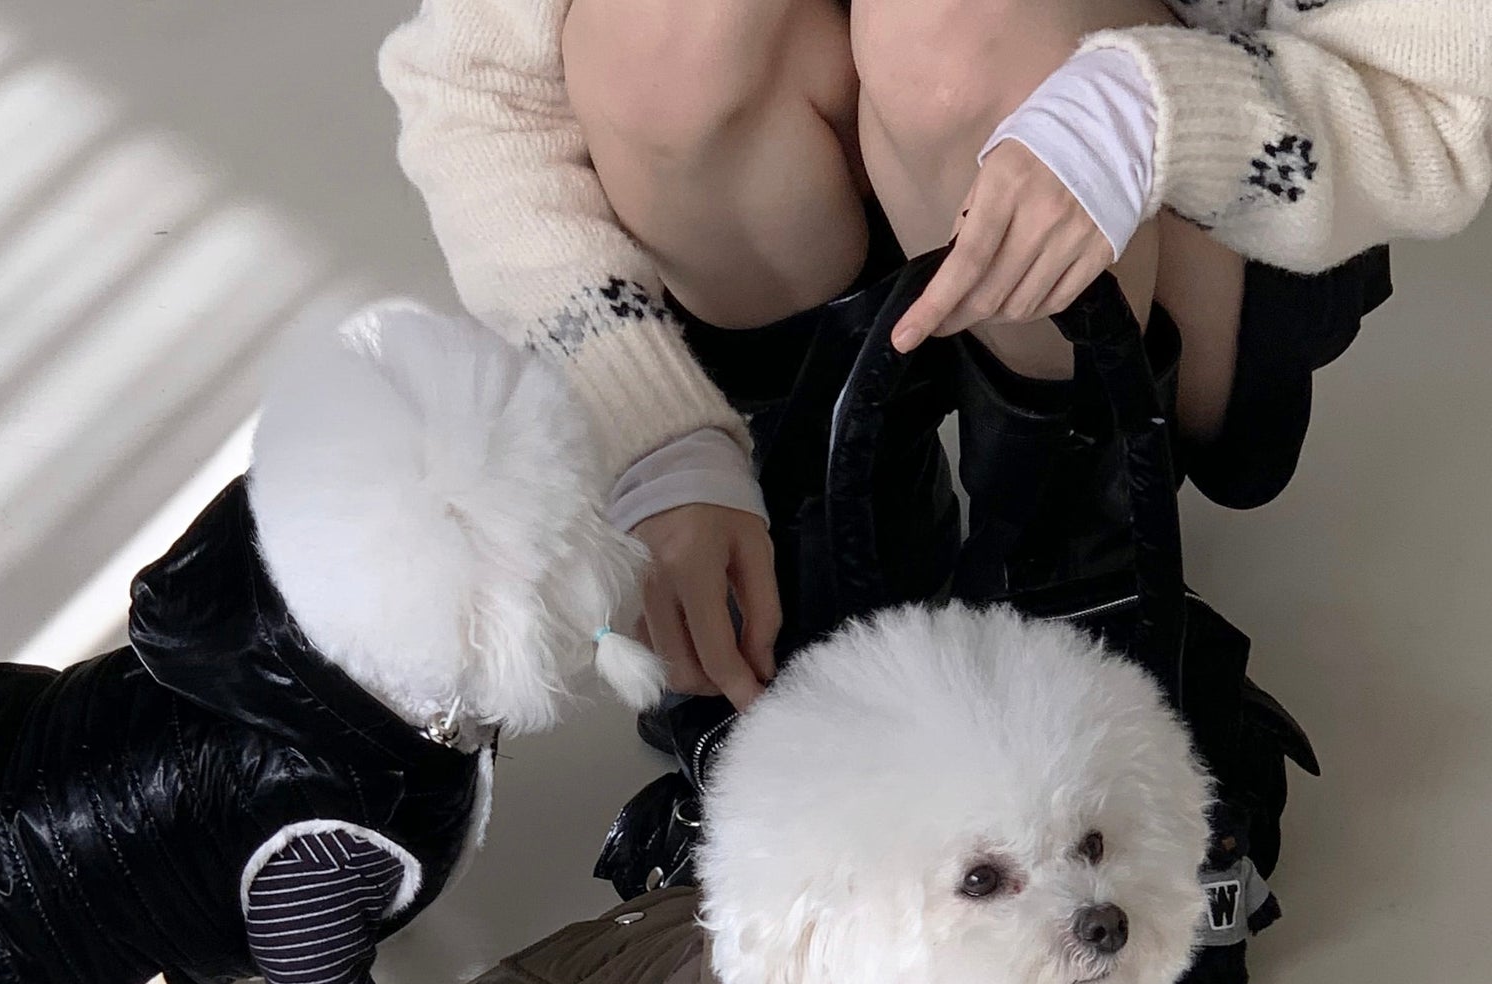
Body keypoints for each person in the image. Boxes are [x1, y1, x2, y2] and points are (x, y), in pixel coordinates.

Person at [379, 0, 1489, 705]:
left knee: (951, 25)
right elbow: (480, 92)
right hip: (817, 222)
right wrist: (653, 426)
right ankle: (812, 551)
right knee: (667, 38)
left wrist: (1149, 114)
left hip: (1181, 210)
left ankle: (1077, 587)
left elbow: (1442, 96)